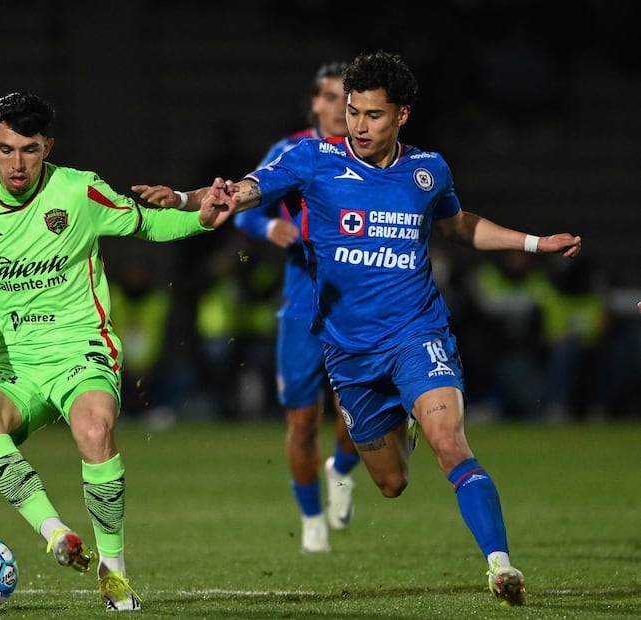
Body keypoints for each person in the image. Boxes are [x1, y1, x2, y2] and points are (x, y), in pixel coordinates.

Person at [203, 51, 582, 606]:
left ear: (401, 116)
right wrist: (207, 198)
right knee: (391, 484)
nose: (357, 124)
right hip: (349, 352)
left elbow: (457, 226)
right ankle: (397, 427)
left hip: (416, 333)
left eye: (373, 115)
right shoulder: (313, 159)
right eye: (353, 111)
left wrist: (533, 243)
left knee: (450, 443)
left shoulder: (429, 170)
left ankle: (501, 565)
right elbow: (250, 189)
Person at [0, 91, 234, 612]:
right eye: (7, 149)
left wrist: (201, 218)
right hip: (16, 365)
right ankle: (55, 532)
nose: (18, 163)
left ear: (47, 146)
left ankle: (114, 573)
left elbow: (147, 222)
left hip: (82, 350)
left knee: (95, 431)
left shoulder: (78, 191)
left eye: (30, 150)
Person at [132, 62, 364, 554]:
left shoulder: (375, 156)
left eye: (345, 98)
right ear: (315, 104)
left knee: (356, 419)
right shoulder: (295, 153)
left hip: (361, 305)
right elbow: (243, 202)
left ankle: (342, 469)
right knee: (302, 421)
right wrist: (265, 228)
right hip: (304, 302)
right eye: (327, 96)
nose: (336, 106)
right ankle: (311, 520)